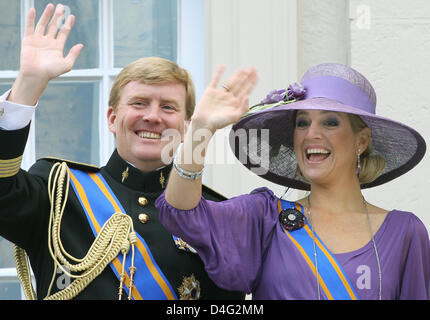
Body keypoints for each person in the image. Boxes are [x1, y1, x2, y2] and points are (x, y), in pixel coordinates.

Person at [0, 3, 245, 300]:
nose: (153, 117)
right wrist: (28, 85)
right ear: (113, 118)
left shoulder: (214, 214)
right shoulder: (59, 191)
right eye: (139, 103)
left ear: (185, 127)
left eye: (168, 107)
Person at [156, 62, 430, 299]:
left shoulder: (405, 232)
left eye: (330, 122)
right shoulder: (265, 218)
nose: (311, 133)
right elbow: (182, 213)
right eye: (302, 123)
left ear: (361, 140)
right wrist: (201, 129)